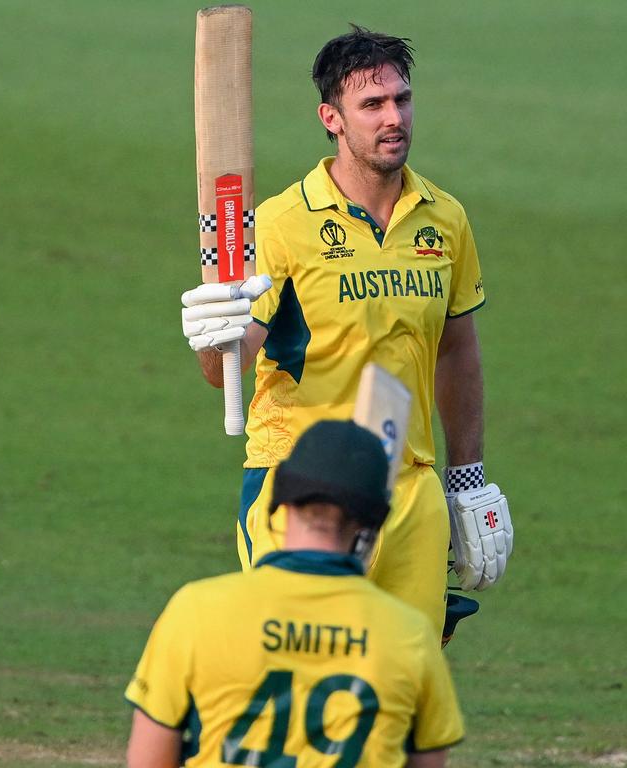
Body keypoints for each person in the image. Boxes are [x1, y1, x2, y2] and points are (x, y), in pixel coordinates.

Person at [180, 26, 512, 640]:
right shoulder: (279, 224)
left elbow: (457, 350)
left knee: (405, 694)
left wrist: (467, 478)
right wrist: (214, 337)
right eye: (372, 105)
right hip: (302, 485)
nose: (394, 118)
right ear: (331, 118)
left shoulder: (445, 218)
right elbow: (226, 366)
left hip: (409, 489)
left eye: (401, 100)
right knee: (304, 675)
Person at [125, 420, 464, 768]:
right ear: (373, 523)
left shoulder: (195, 610)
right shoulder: (409, 635)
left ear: (279, 501)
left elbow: (148, 759)